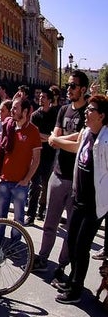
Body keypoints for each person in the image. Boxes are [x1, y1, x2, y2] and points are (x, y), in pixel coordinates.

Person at [49, 94, 108, 304]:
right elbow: (76, 147)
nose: (87, 112)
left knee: (82, 247)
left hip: (94, 204)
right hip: (78, 197)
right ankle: (71, 280)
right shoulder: (87, 133)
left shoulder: (106, 140)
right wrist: (55, 140)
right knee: (72, 242)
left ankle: (76, 290)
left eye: (91, 109)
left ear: (101, 116)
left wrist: (55, 140)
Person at [36, 70, 91, 281]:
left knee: (71, 229)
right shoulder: (63, 110)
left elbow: (78, 147)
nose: (68, 89)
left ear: (83, 89)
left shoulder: (88, 112)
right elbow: (54, 138)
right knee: (49, 222)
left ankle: (62, 266)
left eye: (73, 86)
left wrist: (58, 140)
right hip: (57, 174)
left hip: (76, 178)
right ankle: (42, 258)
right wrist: (62, 140)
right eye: (68, 85)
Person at [0, 96, 42, 235]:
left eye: (15, 108)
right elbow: (0, 150)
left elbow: (36, 159)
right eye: (12, 107)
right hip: (4, 180)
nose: (12, 111)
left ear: (25, 112)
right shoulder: (9, 126)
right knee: (0, 215)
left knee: (18, 218)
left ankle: (15, 246)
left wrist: (26, 179)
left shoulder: (33, 131)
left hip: (20, 183)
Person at [28, 87, 60, 225]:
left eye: (44, 97)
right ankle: (31, 214)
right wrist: (48, 138)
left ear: (50, 100)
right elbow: (33, 135)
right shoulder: (35, 115)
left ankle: (42, 210)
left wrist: (46, 137)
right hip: (37, 154)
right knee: (34, 185)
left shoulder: (55, 114)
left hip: (50, 155)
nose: (41, 99)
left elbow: (57, 135)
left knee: (46, 184)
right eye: (40, 96)